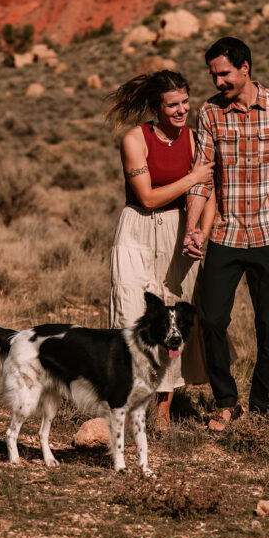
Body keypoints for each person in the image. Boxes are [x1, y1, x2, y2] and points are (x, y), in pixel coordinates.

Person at [183, 36, 269, 431]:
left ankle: (263, 409)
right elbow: (202, 178)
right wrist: (194, 227)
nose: (218, 82)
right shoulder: (209, 113)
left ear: (245, 67)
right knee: (210, 320)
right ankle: (226, 402)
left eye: (224, 73)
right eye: (213, 75)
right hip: (226, 235)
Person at [107, 70, 215, 429]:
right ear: (156, 107)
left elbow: (209, 192)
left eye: (185, 102)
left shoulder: (197, 140)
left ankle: (163, 412)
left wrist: (200, 231)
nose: (182, 110)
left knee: (175, 317)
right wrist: (191, 178)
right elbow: (149, 197)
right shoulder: (135, 139)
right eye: (173, 105)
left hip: (179, 230)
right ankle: (129, 402)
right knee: (131, 311)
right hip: (137, 227)